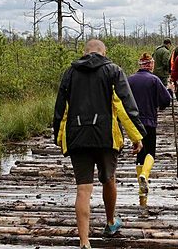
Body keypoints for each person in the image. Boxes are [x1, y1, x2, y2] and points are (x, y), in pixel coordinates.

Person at [53, 39, 146, 249]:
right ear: (104, 52)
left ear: (85, 53)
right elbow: (123, 104)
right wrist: (136, 135)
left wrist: (59, 137)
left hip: (77, 136)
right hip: (106, 137)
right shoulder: (113, 71)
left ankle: (84, 242)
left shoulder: (70, 73)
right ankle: (110, 222)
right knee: (109, 179)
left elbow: (61, 109)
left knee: (83, 190)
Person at [128, 53, 172, 207]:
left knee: (140, 153)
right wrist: (171, 90)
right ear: (150, 65)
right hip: (149, 122)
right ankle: (144, 177)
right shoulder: (154, 80)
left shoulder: (129, 80)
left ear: (140, 64)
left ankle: (142, 193)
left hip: (133, 124)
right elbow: (166, 99)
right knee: (150, 153)